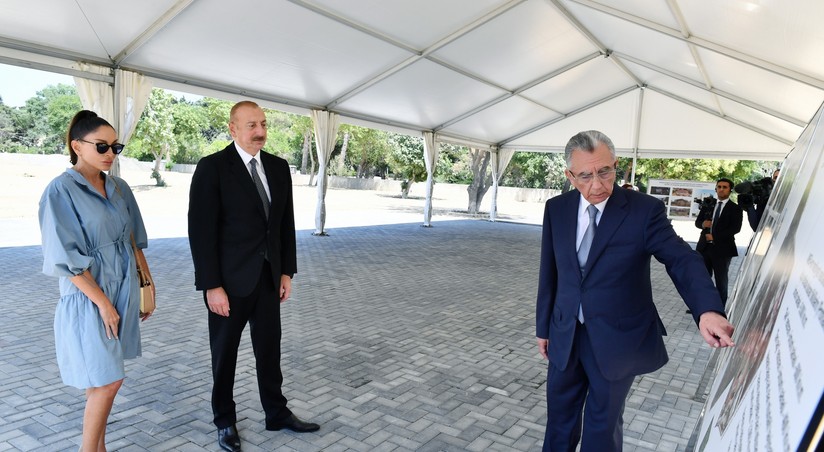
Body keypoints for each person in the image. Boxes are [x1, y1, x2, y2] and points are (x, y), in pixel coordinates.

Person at [535, 130, 735, 452]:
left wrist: (707, 309)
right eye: (585, 175)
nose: (597, 185)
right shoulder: (556, 208)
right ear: (569, 176)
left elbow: (681, 258)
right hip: (565, 333)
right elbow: (551, 272)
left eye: (605, 171)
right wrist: (543, 327)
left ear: (618, 165)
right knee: (559, 420)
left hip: (618, 337)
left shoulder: (644, 211)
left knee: (602, 426)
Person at [188, 100, 319, 452]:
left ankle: (276, 413)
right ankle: (224, 421)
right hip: (228, 284)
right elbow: (201, 232)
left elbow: (284, 224)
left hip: (267, 279)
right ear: (233, 129)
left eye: (262, 124)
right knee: (224, 354)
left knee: (269, 350)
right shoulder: (212, 168)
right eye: (251, 125)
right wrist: (211, 285)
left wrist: (287, 270)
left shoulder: (278, 167)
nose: (259, 131)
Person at [39, 110, 154, 451]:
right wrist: (103, 303)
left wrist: (147, 285)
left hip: (124, 289)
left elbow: (133, 239)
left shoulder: (118, 186)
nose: (110, 154)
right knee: (108, 380)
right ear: (77, 145)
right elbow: (66, 259)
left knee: (100, 381)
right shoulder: (60, 191)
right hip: (89, 296)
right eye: (102, 146)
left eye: (115, 147)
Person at [695, 178, 743, 306]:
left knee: (721, 281)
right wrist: (703, 224)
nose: (721, 189)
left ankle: (720, 308)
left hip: (723, 249)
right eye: (719, 186)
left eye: (724, 187)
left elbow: (735, 229)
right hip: (704, 248)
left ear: (730, 190)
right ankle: (703, 305)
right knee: (703, 279)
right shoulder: (709, 204)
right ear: (716, 188)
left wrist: (715, 237)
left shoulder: (735, 208)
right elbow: (698, 222)